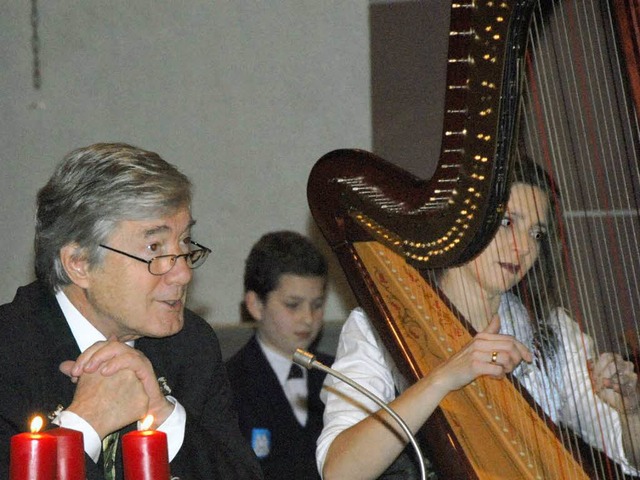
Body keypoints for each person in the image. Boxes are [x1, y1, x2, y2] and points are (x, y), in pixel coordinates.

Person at [316, 157, 640, 479]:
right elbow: (340, 471)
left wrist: (631, 414)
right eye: (508, 223)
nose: (524, 246)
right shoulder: (379, 327)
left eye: (537, 233)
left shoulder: (551, 334)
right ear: (463, 225)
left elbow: (630, 453)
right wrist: (443, 378)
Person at [0, 143, 263, 479]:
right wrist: (83, 425)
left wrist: (164, 416)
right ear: (79, 263)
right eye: (155, 248)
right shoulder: (10, 353)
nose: (183, 272)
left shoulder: (189, 345)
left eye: (184, 243)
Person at [225, 230, 334, 479]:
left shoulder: (338, 375)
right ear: (255, 305)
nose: (308, 318)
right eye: (292, 305)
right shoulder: (227, 385)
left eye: (317, 305)